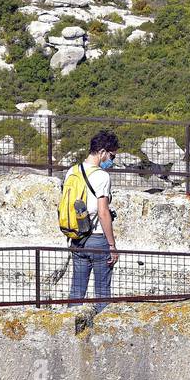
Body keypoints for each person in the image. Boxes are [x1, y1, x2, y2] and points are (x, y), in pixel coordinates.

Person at [67, 130, 119, 304]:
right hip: (97, 239)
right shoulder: (101, 176)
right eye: (112, 156)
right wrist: (112, 245)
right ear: (103, 152)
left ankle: (71, 325)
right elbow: (103, 212)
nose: (112, 160)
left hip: (77, 238)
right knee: (102, 290)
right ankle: (101, 328)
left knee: (77, 289)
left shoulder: (72, 171)